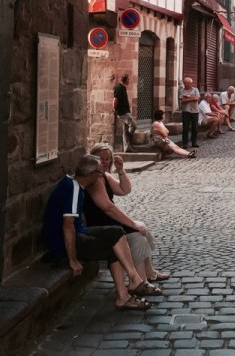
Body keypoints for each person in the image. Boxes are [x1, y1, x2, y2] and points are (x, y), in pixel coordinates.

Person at [42, 154, 152, 311]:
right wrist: (73, 260)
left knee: (116, 232)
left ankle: (133, 279)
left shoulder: (74, 184)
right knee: (113, 248)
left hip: (79, 232)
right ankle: (124, 295)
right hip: (62, 242)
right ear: (91, 174)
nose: (101, 176)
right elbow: (68, 227)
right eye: (100, 173)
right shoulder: (73, 190)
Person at [85, 143, 170, 287]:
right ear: (93, 159)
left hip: (107, 218)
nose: (105, 162)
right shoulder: (95, 180)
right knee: (137, 234)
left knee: (143, 229)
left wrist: (121, 170)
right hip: (100, 221)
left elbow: (124, 190)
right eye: (101, 159)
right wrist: (132, 224)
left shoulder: (104, 175)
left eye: (108, 158)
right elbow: (108, 207)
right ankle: (139, 281)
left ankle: (149, 272)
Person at [113, 73, 136, 152]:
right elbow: (115, 99)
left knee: (125, 130)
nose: (129, 81)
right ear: (125, 80)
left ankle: (127, 148)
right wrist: (114, 109)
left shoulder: (123, 88)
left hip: (125, 111)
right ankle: (129, 139)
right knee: (133, 125)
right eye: (128, 79)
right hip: (122, 112)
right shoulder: (119, 88)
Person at [178, 75, 200, 148]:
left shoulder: (195, 90)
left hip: (195, 111)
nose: (186, 85)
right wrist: (192, 98)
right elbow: (183, 100)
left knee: (195, 128)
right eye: (185, 83)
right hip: (186, 111)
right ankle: (185, 143)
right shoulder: (182, 90)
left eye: (188, 83)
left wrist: (187, 97)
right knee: (185, 128)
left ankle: (194, 142)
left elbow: (197, 98)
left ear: (191, 83)